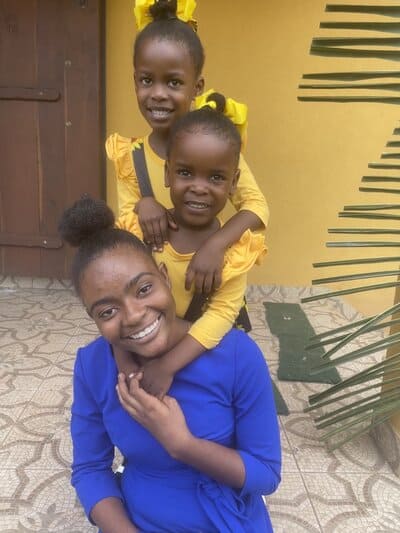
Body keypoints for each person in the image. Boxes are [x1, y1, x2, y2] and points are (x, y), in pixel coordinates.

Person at [59, 197, 281, 532]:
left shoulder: (235, 355)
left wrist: (183, 445)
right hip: (138, 521)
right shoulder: (94, 366)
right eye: (107, 311)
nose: (134, 316)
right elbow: (90, 469)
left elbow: (266, 474)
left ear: (164, 276)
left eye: (144, 289)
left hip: (227, 521)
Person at [106, 0, 269, 298]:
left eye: (174, 82)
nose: (157, 94)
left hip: (209, 298)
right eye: (146, 80)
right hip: (157, 304)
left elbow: (257, 208)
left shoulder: (218, 148)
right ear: (135, 82)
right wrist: (144, 205)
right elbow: (127, 223)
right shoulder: (131, 158)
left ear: (197, 87)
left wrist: (216, 244)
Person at [116, 93, 267, 397]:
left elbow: (222, 315)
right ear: (167, 173)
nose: (199, 187)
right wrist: (122, 358)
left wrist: (167, 366)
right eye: (185, 173)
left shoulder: (235, 252)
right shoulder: (143, 233)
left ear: (233, 183)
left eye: (215, 177)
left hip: (200, 354)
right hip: (141, 349)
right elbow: (117, 296)